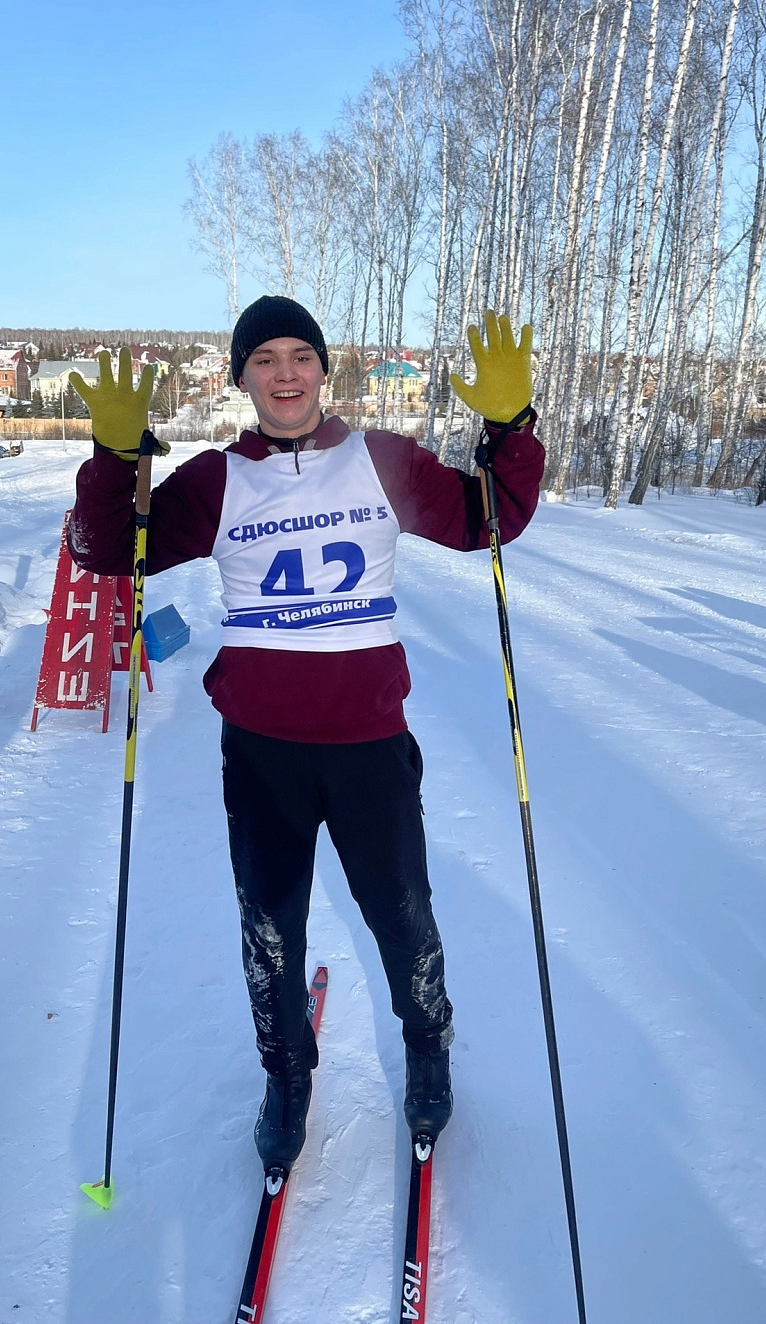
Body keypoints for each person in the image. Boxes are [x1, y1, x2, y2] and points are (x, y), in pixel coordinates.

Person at [67, 297, 543, 1174]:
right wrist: (113, 454)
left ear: (325, 370)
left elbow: (488, 521)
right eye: (264, 360)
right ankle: (286, 1076)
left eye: (300, 357)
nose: (285, 374)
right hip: (262, 753)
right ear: (242, 376)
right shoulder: (216, 479)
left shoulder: (381, 460)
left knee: (402, 918)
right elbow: (105, 548)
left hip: (368, 746)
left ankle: (428, 1054)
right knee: (271, 929)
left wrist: (510, 425)